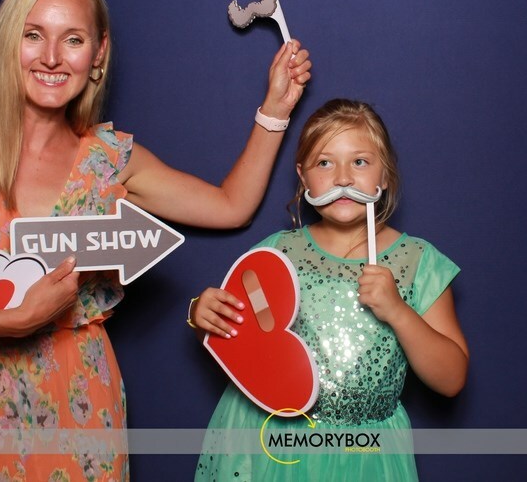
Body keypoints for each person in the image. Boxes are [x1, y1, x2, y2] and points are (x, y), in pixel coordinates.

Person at [0, 0, 312, 481]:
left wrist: (276, 106)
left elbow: (229, 205)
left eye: (74, 39)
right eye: (33, 35)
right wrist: (4, 321)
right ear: (7, 43)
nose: (52, 57)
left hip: (84, 419)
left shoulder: (109, 161)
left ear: (98, 53)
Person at [190, 98, 468, 480]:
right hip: (274, 450)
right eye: (324, 163)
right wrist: (203, 314)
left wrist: (398, 312)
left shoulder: (418, 262)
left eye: (360, 162)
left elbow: (451, 380)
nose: (343, 179)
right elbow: (245, 339)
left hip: (365, 456)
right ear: (303, 178)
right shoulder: (276, 254)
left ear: (385, 175)